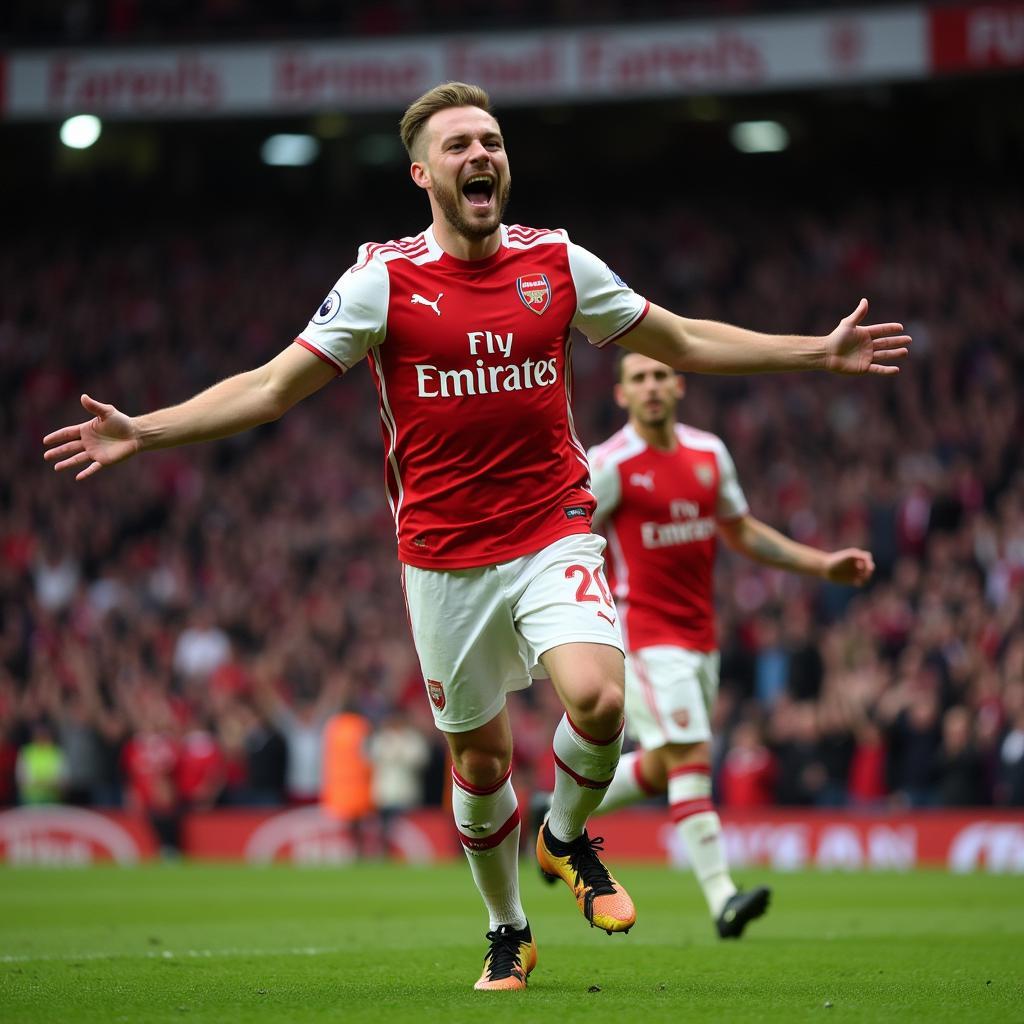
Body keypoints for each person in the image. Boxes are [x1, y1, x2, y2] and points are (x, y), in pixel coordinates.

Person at [42, 82, 908, 989]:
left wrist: (816, 351)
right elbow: (269, 389)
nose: (479, 155)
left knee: (602, 700)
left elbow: (682, 339)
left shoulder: (561, 264)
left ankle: (566, 835)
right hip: (443, 559)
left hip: (552, 528)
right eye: (456, 145)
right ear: (422, 173)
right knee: (482, 758)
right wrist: (146, 429)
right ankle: (508, 927)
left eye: (490, 140)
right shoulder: (382, 282)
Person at [570, 351, 875, 938]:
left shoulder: (709, 453)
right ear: (622, 395)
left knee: (663, 766)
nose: (652, 385)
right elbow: (570, 531)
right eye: (639, 378)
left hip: (700, 636)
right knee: (690, 756)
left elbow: (741, 530)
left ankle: (556, 819)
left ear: (679, 385)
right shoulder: (609, 464)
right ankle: (722, 899)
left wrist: (821, 565)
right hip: (646, 632)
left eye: (661, 375)